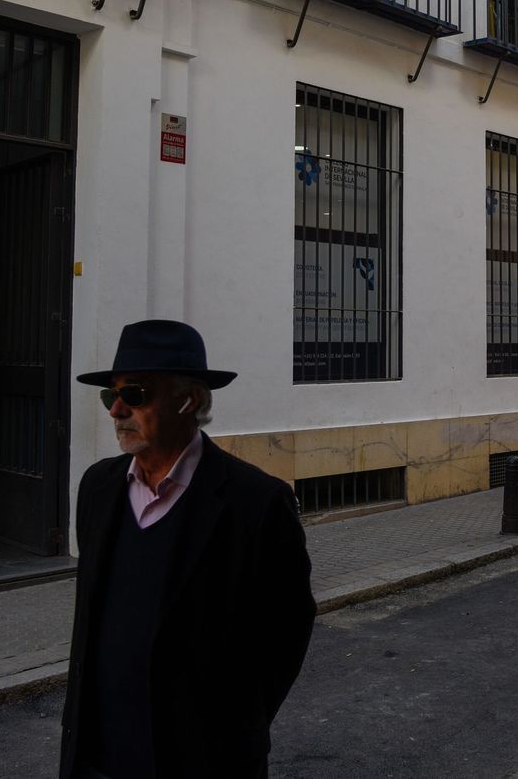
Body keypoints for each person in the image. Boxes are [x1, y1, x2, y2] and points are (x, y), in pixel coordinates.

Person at [61, 320, 316, 778]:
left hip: (203, 760)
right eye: (110, 396)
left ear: (189, 400)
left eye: (135, 394)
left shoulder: (255, 503)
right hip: (99, 758)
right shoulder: (98, 488)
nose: (117, 409)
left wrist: (233, 728)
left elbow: (286, 632)